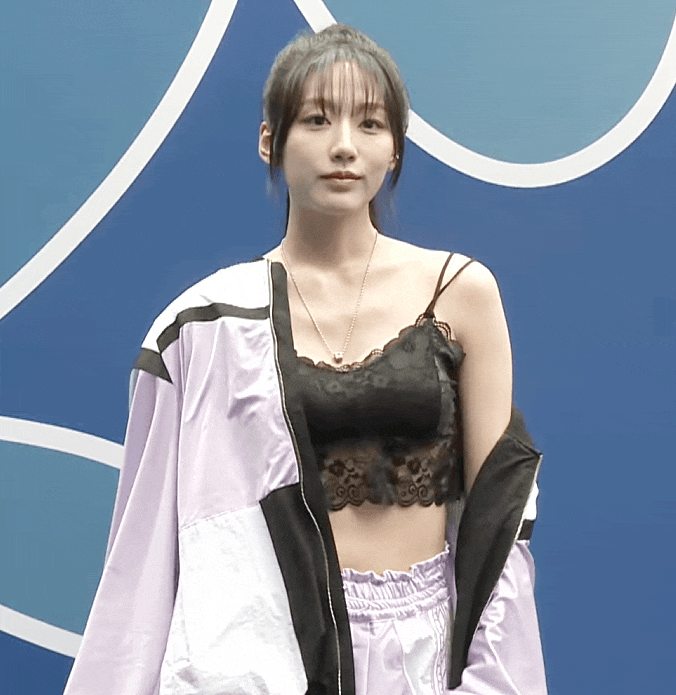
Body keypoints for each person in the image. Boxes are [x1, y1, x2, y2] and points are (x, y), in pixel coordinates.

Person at [64, 24, 547, 695]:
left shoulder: (463, 291)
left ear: (395, 148)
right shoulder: (203, 325)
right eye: (317, 120)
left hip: (424, 653)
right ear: (271, 140)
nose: (344, 145)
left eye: (369, 123)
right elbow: (143, 554)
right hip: (263, 655)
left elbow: (502, 522)